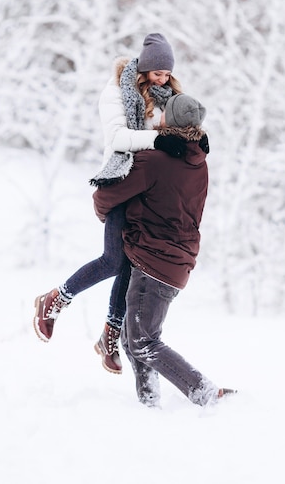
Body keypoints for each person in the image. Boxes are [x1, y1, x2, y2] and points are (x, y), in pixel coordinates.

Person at [33, 33, 186, 374]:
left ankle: (110, 336)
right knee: (114, 259)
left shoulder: (167, 97)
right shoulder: (117, 91)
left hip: (150, 192)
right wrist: (160, 139)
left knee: (133, 263)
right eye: (157, 72)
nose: (162, 79)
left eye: (167, 73)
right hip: (121, 181)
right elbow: (117, 137)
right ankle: (54, 300)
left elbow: (176, 134)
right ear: (145, 68)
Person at [93, 94, 236, 407]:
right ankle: (150, 404)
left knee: (143, 340)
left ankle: (206, 394)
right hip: (177, 262)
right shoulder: (199, 163)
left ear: (169, 121)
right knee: (134, 341)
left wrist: (109, 216)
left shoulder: (154, 161)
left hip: (152, 260)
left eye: (162, 114)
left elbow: (106, 195)